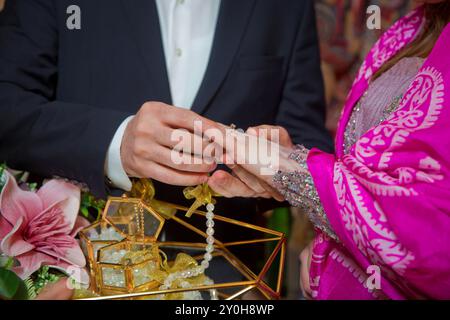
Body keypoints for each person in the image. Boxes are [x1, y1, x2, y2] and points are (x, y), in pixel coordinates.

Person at [0, 0, 332, 226]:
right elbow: (9, 107)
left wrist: (285, 165)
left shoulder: (287, 6)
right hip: (83, 263)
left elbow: (308, 140)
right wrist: (116, 143)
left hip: (227, 276)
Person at [208, 1, 450, 299]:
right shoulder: (414, 27)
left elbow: (430, 232)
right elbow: (371, 167)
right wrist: (332, 236)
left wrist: (292, 171)